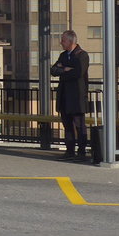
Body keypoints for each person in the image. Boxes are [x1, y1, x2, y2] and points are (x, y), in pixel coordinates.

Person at [51, 29, 90, 161]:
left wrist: (63, 70)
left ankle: (82, 151)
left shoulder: (82, 55)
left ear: (70, 41)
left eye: (63, 40)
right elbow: (53, 70)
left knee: (79, 125)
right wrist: (64, 69)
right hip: (64, 96)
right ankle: (70, 151)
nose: (61, 43)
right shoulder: (63, 55)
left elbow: (78, 73)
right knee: (67, 125)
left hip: (77, 96)